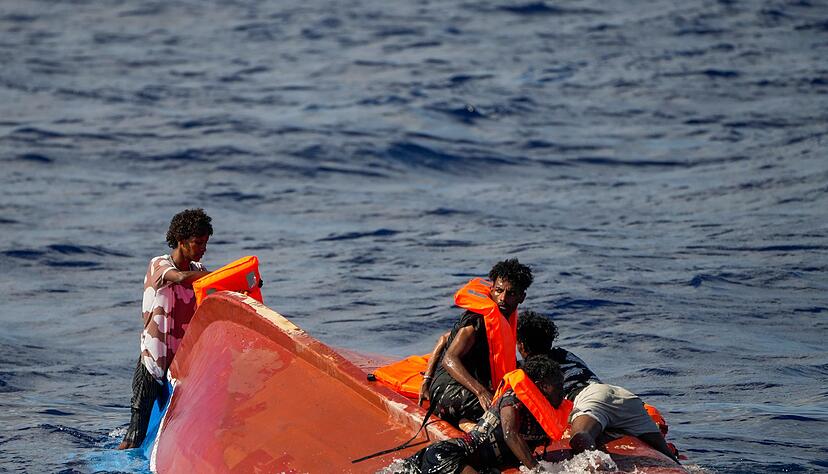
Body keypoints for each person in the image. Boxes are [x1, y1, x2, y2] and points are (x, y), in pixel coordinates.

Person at [515, 310, 680, 464]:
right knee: (667, 455)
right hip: (621, 395)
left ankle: (599, 468)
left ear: (521, 345)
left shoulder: (529, 369)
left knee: (580, 438)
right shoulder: (565, 354)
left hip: (589, 398)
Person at [118, 208, 213, 450]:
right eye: (198, 243)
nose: (203, 248)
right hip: (152, 364)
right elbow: (179, 278)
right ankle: (116, 462)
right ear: (181, 241)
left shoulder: (199, 271)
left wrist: (242, 283)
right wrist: (215, 277)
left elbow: (215, 294)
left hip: (179, 367)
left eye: (205, 243)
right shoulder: (159, 264)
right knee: (134, 433)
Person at [401, 355, 568, 473]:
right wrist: (538, 471)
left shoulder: (541, 414)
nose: (563, 391)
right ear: (542, 386)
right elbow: (510, 434)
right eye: (559, 386)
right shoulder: (512, 399)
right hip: (448, 456)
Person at [419, 258, 533, 428]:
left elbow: (445, 338)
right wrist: (427, 381)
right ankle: (467, 424)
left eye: (511, 294)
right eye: (499, 291)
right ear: (491, 289)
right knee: (507, 410)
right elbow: (449, 359)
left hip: (468, 388)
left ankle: (465, 421)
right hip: (448, 389)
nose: (502, 298)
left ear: (521, 297)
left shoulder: (503, 320)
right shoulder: (477, 320)